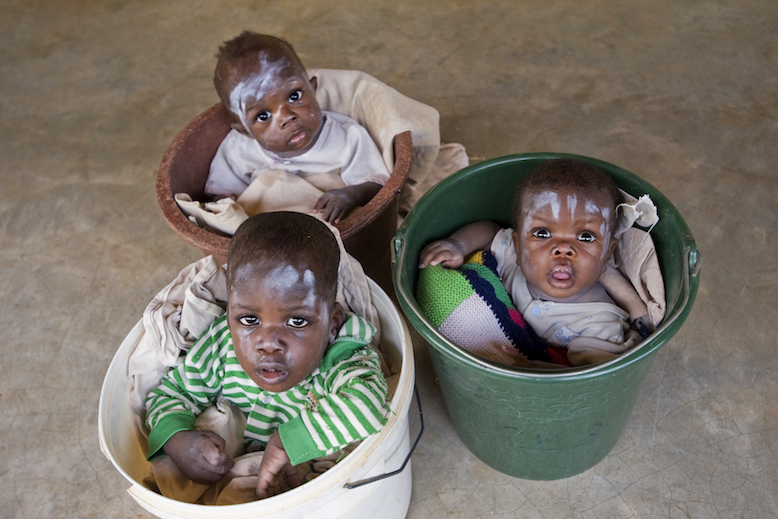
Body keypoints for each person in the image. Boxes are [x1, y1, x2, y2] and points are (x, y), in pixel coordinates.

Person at [144, 212, 390, 499]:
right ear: (229, 314)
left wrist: (286, 443)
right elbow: (169, 394)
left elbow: (369, 403)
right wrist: (178, 441)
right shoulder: (221, 346)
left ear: (333, 323)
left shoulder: (340, 359)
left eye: (297, 321)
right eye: (249, 319)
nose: (268, 343)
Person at [418, 158, 642, 366]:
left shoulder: (600, 326)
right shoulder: (514, 258)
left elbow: (588, 382)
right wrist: (457, 245)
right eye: (543, 233)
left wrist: (532, 368)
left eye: (585, 237)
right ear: (518, 244)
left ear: (607, 254)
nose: (563, 249)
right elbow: (489, 230)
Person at [205, 31, 390, 223]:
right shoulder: (238, 149)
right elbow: (222, 193)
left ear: (313, 89)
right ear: (245, 131)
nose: (287, 117)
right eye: (263, 116)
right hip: (267, 232)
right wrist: (224, 203)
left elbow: (376, 184)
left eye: (294, 96)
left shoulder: (347, 137)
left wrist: (350, 195)